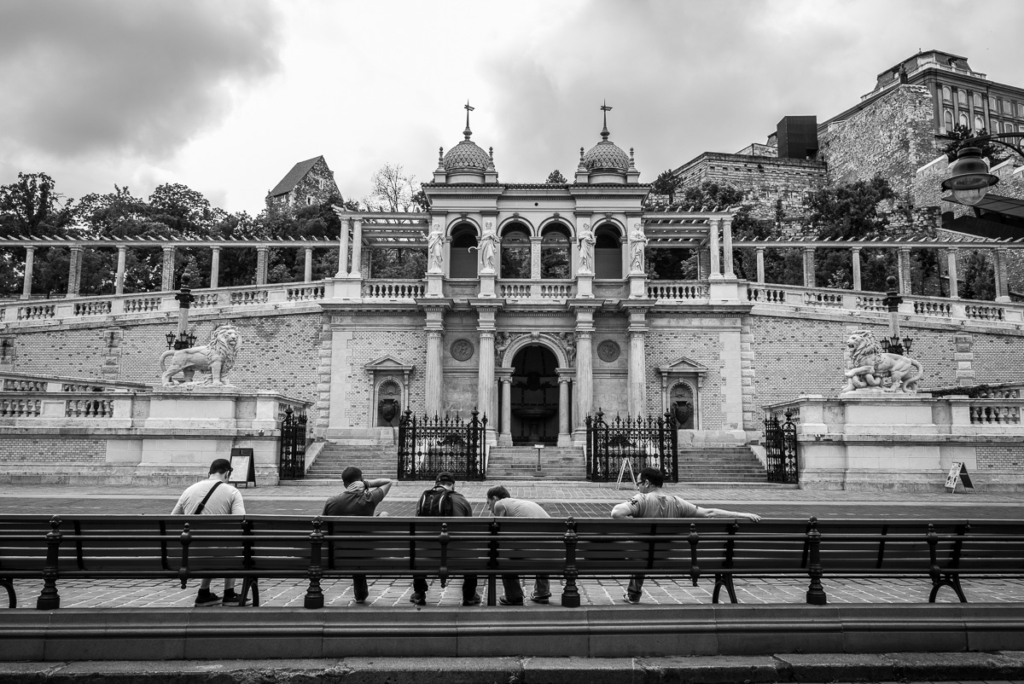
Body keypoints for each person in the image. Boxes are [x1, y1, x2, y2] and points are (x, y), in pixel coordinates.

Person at [610, 466, 761, 604]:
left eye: (639, 483)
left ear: (647, 483)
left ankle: (633, 594)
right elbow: (709, 513)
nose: (638, 487)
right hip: (666, 556)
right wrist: (742, 514)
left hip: (641, 557)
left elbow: (616, 513)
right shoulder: (677, 502)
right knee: (645, 548)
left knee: (638, 548)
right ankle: (633, 593)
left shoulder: (641, 499)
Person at [171, 458, 246, 607]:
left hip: (189, 553)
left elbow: (173, 519)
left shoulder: (189, 490)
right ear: (227, 474)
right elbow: (241, 521)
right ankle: (229, 592)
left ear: (209, 473)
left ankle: (203, 592)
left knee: (209, 544)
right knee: (229, 544)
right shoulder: (232, 492)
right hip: (218, 553)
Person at [322, 466, 393, 604]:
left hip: (337, 553)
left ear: (344, 483)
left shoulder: (332, 501)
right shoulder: (369, 498)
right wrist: (367, 484)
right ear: (361, 480)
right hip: (368, 551)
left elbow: (322, 526)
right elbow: (388, 482)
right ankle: (360, 594)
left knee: (352, 542)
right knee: (380, 518)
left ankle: (360, 594)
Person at [410, 472, 479, 606]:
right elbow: (470, 526)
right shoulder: (461, 500)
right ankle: (469, 595)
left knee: (419, 548)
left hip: (426, 555)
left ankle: (419, 593)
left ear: (436, 485)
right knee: (471, 552)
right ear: (452, 486)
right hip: (459, 555)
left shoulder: (423, 499)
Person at [486, 485, 552, 606]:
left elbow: (499, 533)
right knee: (541, 546)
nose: (488, 508)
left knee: (503, 556)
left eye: (488, 502)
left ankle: (514, 596)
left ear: (495, 498)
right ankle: (542, 593)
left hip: (532, 550)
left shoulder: (499, 504)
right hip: (551, 552)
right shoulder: (521, 503)